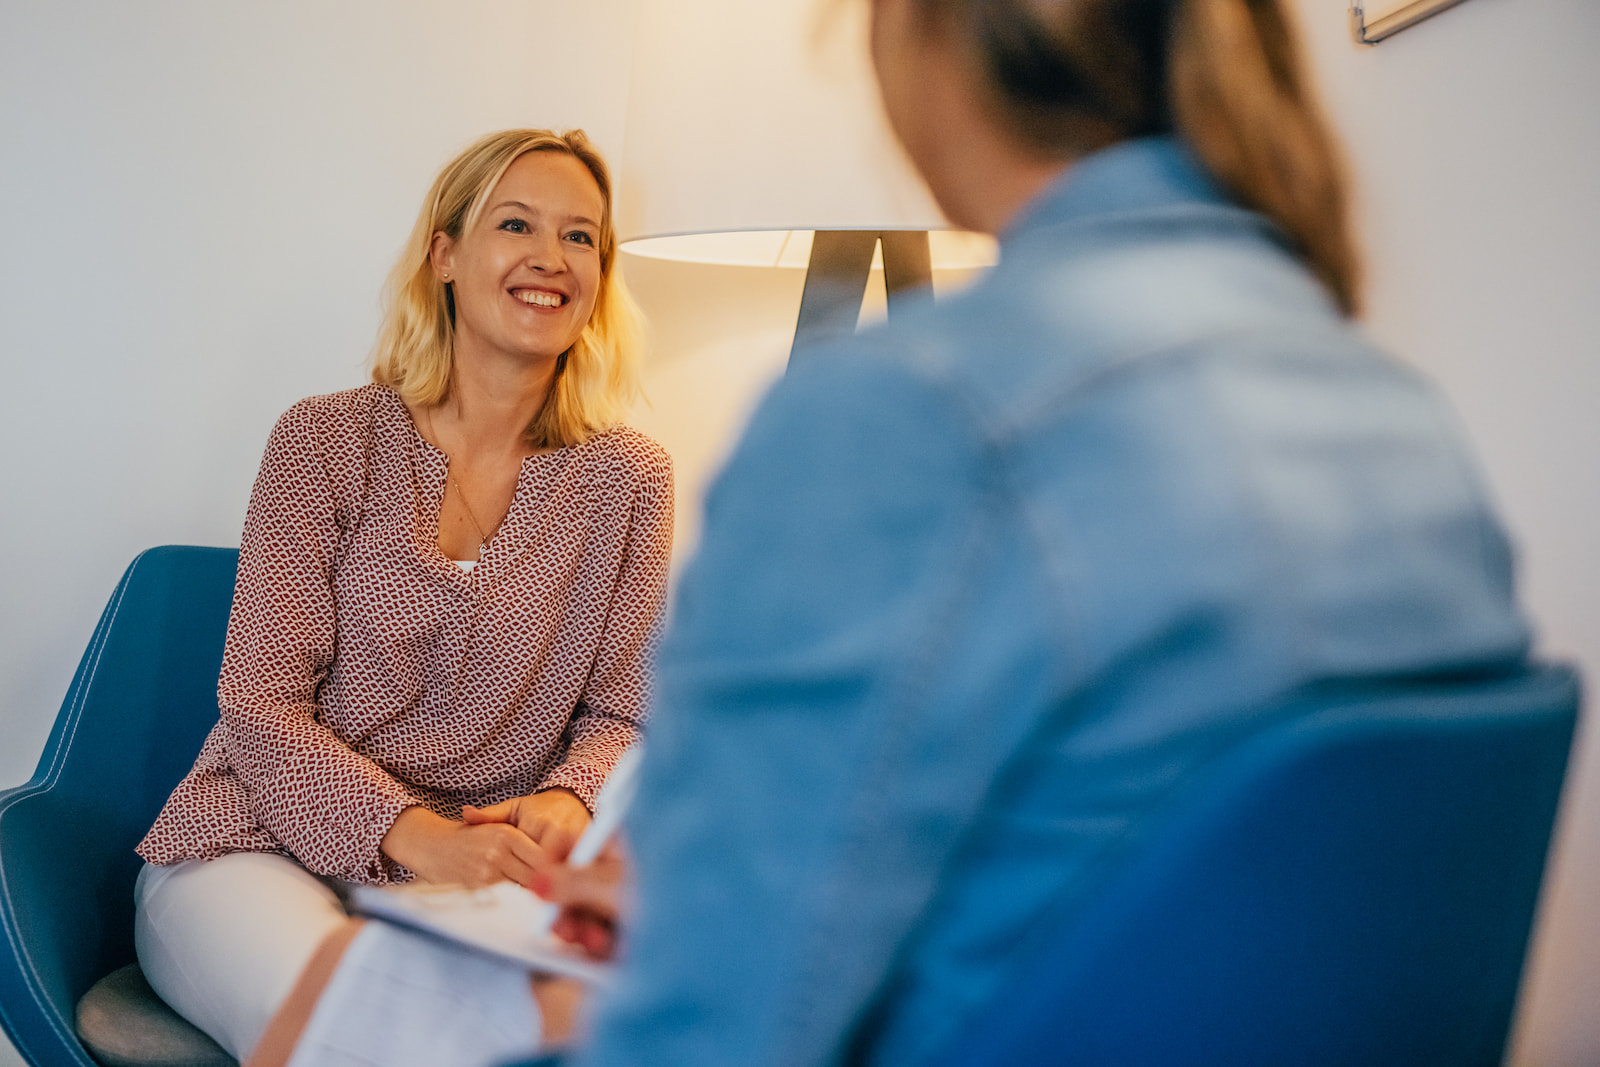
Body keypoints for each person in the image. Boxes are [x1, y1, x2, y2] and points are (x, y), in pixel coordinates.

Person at [260, 0, 1534, 1062]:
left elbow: (715, 1019)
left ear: (920, 41)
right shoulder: (1406, 426)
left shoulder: (897, 416)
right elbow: (1123, 848)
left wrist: (680, 917)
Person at [131, 127, 673, 1062]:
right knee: (367, 1027)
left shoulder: (631, 480)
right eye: (517, 225)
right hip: (250, 843)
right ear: (447, 254)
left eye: (581, 237)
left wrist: (571, 802)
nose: (552, 258)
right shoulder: (324, 440)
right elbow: (259, 708)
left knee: (592, 1025)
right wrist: (414, 834)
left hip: (483, 883)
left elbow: (622, 714)